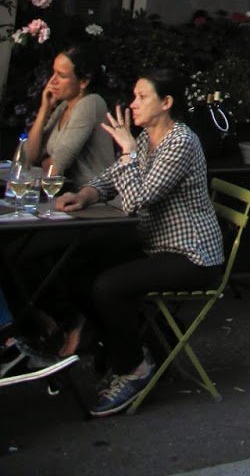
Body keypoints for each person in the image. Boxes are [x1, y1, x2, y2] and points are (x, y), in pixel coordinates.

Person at [57, 68, 223, 417]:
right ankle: (127, 346)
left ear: (166, 103)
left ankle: (134, 369)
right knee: (76, 268)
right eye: (133, 96)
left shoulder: (180, 141)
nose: (133, 104)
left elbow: (138, 199)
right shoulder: (149, 138)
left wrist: (129, 150)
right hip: (155, 245)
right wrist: (86, 194)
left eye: (141, 97)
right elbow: (114, 177)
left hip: (191, 255)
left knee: (108, 286)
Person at [23, 42, 114, 191]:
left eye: (62, 75)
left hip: (96, 202)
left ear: (84, 81)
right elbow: (29, 157)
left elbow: (54, 168)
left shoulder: (90, 103)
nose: (52, 81)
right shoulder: (64, 106)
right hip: (66, 196)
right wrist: (44, 109)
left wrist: (45, 162)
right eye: (53, 73)